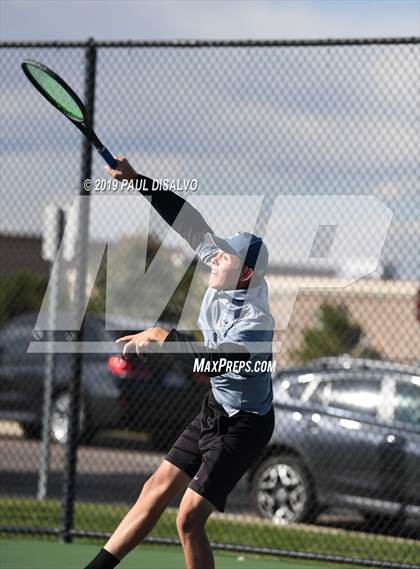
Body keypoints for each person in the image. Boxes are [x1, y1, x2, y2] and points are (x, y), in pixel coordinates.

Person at [84, 158, 276, 569]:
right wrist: (136, 179)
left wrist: (162, 334)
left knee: (189, 519)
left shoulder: (256, 322)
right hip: (215, 409)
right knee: (155, 489)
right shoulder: (224, 269)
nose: (213, 258)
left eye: (224, 257)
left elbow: (213, 362)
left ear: (244, 274)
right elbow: (185, 219)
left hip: (245, 425)